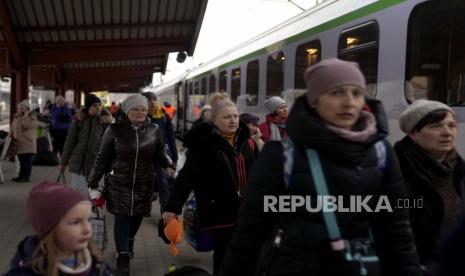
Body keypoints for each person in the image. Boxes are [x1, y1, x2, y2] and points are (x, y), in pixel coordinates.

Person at [220, 58, 422, 275]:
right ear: (315, 100)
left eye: (356, 93)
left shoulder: (381, 153)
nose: (349, 102)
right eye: (336, 93)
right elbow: (250, 233)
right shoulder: (282, 156)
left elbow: (397, 231)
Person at [162, 93, 256, 274]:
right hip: (218, 212)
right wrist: (172, 208)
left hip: (244, 211)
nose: (233, 120)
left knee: (244, 255)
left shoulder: (246, 142)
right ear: (214, 120)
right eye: (226, 117)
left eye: (235, 116)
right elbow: (186, 178)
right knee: (225, 255)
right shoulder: (205, 145)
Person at [87, 94, 174, 276]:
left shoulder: (154, 130)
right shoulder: (114, 130)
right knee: (122, 217)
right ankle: (123, 255)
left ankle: (130, 239)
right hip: (119, 182)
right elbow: (102, 157)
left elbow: (160, 152)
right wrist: (93, 181)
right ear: (127, 111)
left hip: (144, 183)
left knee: (136, 217)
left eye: (143, 109)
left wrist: (168, 165)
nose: (140, 112)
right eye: (136, 109)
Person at [394, 99, 465, 272]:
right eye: (436, 126)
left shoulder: (460, 170)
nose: (447, 132)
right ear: (413, 134)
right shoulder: (396, 171)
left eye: (452, 125)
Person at [4, 181, 112, 275]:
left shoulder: (98, 265)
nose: (87, 229)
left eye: (89, 220)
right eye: (76, 222)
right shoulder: (26, 270)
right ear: (51, 229)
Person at [59, 94, 112, 194]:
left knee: (94, 192)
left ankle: (92, 208)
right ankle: (78, 208)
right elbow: (69, 143)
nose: (98, 108)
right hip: (79, 162)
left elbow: (110, 145)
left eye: (99, 105)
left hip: (96, 162)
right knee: (77, 190)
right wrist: (63, 162)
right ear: (88, 107)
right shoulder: (79, 122)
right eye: (95, 105)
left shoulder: (105, 123)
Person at [141, 92, 178, 213]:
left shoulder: (163, 116)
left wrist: (174, 157)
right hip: (145, 156)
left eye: (154, 100)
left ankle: (164, 211)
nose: (153, 103)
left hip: (161, 155)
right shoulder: (139, 116)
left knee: (164, 183)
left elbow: (170, 137)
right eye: (149, 100)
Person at [10, 100, 38, 182]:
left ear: (27, 109)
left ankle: (26, 177)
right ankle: (21, 175)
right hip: (20, 142)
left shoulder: (32, 117)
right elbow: (13, 127)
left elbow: (26, 125)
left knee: (26, 161)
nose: (20, 109)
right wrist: (9, 135)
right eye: (19, 108)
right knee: (21, 160)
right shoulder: (17, 117)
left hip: (28, 142)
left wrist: (26, 114)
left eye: (22, 108)